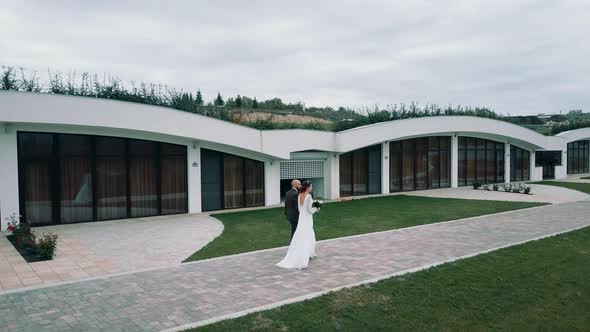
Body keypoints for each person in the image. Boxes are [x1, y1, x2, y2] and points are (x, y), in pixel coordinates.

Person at [277, 180, 319, 269]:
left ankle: (308, 253)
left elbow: (300, 209)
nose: (311, 188)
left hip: (301, 218)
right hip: (307, 219)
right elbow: (309, 210)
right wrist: (316, 208)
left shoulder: (299, 195)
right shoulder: (308, 197)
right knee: (308, 235)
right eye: (311, 186)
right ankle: (306, 255)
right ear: (308, 187)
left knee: (301, 235)